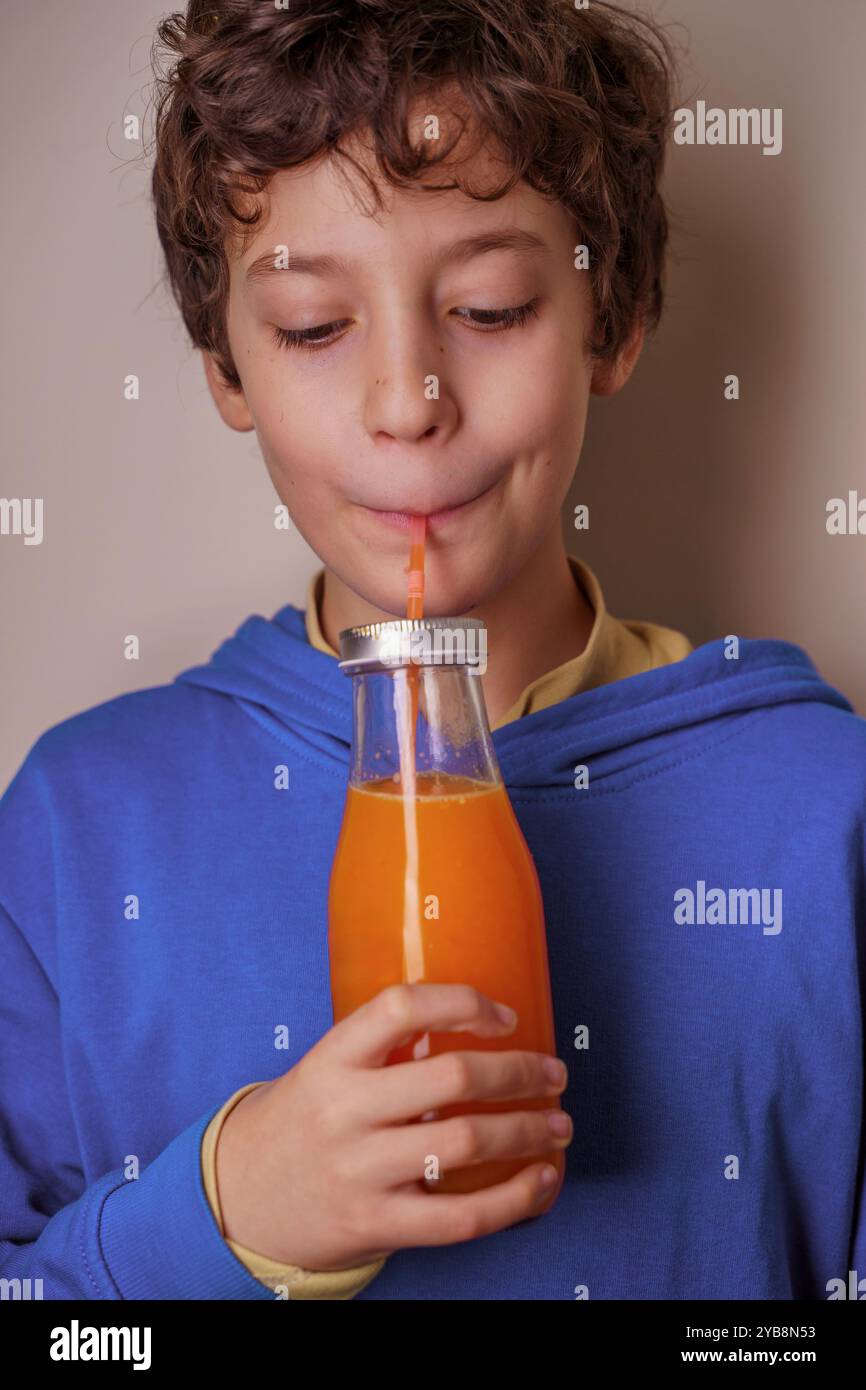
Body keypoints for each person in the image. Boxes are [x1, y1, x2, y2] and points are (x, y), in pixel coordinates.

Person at [1, 0, 864, 1301]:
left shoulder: (827, 805)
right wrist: (227, 1207)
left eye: (490, 304)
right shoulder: (80, 824)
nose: (407, 403)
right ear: (223, 368)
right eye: (309, 326)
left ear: (613, 319)